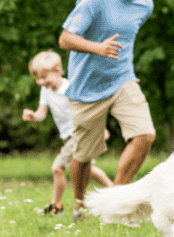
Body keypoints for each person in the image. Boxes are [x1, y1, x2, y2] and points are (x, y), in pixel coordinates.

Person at [58, 0, 156, 222]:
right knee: (83, 155)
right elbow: (65, 38)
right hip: (85, 87)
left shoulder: (145, 5)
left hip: (122, 79)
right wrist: (97, 47)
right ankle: (79, 206)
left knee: (145, 135)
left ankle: (115, 200)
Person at [22, 51, 113, 215]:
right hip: (67, 137)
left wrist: (101, 129)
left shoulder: (70, 88)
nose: (40, 82)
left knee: (57, 168)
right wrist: (33, 116)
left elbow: (88, 109)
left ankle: (56, 205)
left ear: (57, 71)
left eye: (44, 77)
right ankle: (116, 193)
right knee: (87, 169)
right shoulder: (46, 90)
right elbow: (42, 114)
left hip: (78, 133)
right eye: (37, 78)